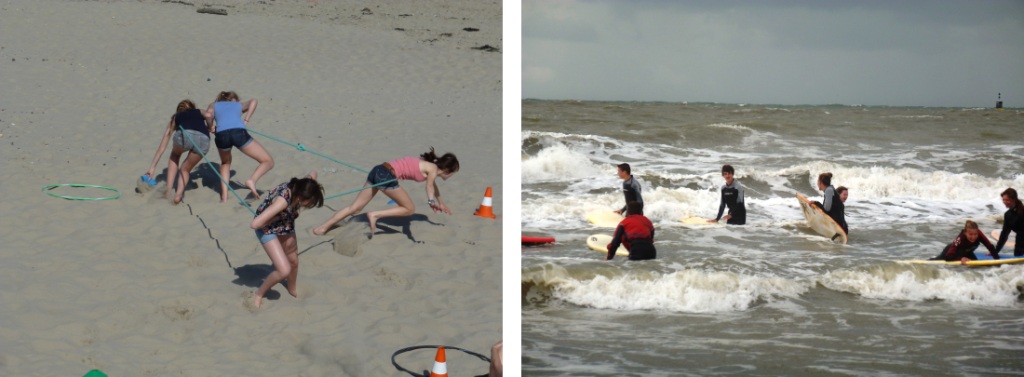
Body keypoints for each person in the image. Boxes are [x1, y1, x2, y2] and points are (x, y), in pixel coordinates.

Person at [311, 147, 459, 237]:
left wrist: (441, 202)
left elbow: (432, 185)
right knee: (410, 209)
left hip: (379, 170)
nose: (452, 176)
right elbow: (429, 187)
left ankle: (321, 229)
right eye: (453, 173)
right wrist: (430, 202)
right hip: (387, 176)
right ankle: (375, 215)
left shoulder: (430, 167)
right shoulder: (433, 169)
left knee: (354, 208)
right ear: (447, 170)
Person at [251, 171, 325, 309]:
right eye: (308, 203)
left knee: (293, 261)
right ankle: (259, 294)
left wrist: (313, 178)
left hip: (285, 224)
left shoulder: (301, 185)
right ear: (300, 196)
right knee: (284, 270)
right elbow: (255, 224)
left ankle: (292, 289)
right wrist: (278, 218)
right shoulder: (282, 202)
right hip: (267, 227)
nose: (308, 206)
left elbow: (313, 174)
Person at [205, 91, 274, 202]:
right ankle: (252, 180)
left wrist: (210, 127)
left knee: (225, 163)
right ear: (234, 99)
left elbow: (208, 115)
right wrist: (246, 120)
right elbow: (254, 101)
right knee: (268, 161)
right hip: (238, 133)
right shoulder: (238, 105)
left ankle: (224, 197)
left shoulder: (214, 105)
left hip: (221, 135)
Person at [142, 99, 213, 203]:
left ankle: (168, 191)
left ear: (179, 110)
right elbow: (208, 115)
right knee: (185, 169)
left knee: (175, 155)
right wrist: (210, 127)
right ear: (192, 107)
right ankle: (178, 195)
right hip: (204, 139)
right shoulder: (198, 111)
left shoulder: (176, 117)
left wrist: (152, 168)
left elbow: (162, 146)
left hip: (185, 135)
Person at [929, 220, 996, 264]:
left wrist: (997, 260)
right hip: (951, 253)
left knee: (976, 265)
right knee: (938, 260)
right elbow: (948, 257)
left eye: (975, 234)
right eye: (970, 234)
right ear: (965, 233)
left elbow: (990, 246)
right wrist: (961, 259)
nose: (973, 237)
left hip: (967, 252)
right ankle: (929, 260)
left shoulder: (979, 234)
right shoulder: (959, 238)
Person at [994, 188, 1024, 257]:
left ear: (1014, 199)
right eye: (1003, 200)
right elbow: (1004, 234)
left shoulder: (1022, 212)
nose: (1005, 202)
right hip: (1020, 241)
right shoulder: (1008, 215)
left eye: (1007, 200)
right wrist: (996, 251)